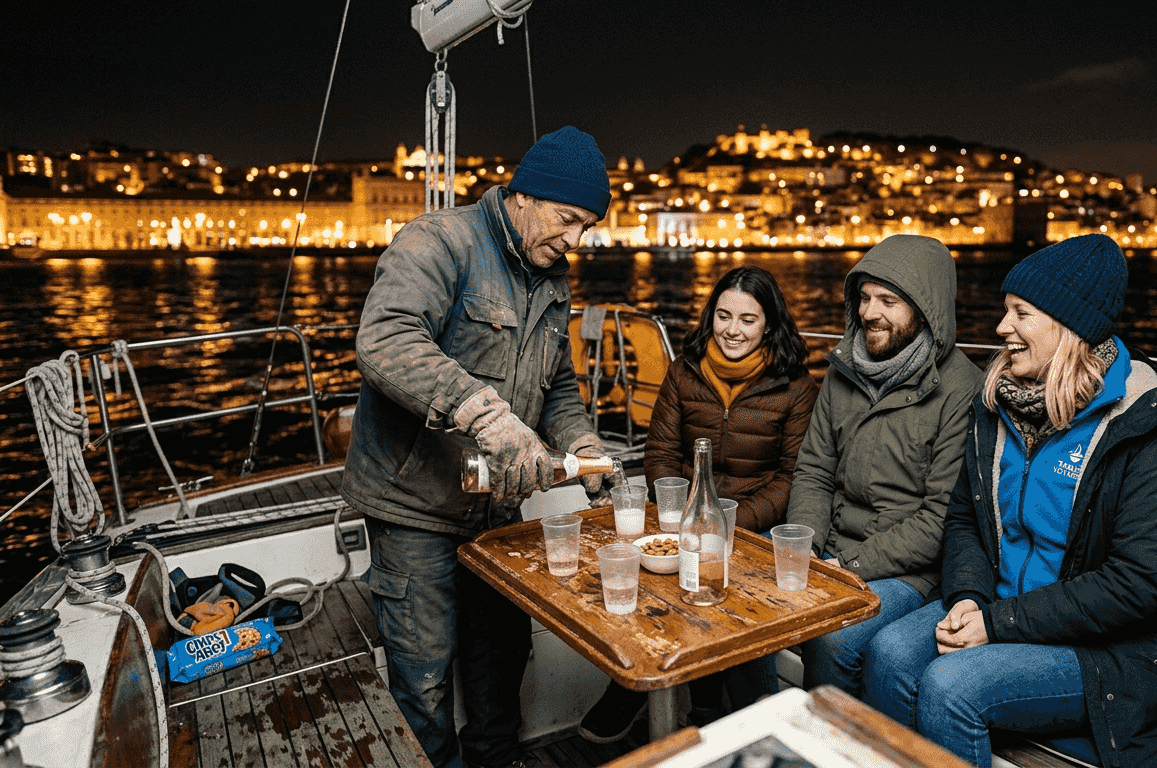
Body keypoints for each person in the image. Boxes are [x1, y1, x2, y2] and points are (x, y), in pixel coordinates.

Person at [864, 234, 1157, 767]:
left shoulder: (1149, 430)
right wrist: (967, 596)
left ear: (1067, 326)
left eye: (1020, 313)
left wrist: (998, 623)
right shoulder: (997, 408)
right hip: (998, 607)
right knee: (888, 654)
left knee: (951, 686)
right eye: (1006, 311)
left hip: (1107, 650)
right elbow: (966, 517)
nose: (1002, 327)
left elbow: (1138, 584)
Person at [341, 126, 613, 768]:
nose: (575, 241)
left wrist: (581, 438)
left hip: (494, 506)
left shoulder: (553, 276)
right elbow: (384, 338)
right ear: (523, 195)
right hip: (414, 506)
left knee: (500, 659)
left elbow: (558, 383)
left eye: (587, 228)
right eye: (567, 220)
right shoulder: (440, 240)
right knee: (426, 679)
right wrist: (490, 417)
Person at [577, 265, 820, 742]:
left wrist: (729, 524)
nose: (732, 330)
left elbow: (793, 477)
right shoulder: (685, 370)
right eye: (723, 316)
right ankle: (648, 683)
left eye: (747, 320)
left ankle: (704, 710)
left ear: (769, 324)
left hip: (757, 520)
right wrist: (682, 515)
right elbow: (661, 452)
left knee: (720, 583)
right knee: (650, 575)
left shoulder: (794, 385)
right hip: (687, 511)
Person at [786, 234, 982, 697]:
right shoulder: (844, 369)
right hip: (833, 551)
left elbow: (939, 519)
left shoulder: (960, 389)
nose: (870, 312)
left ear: (925, 309)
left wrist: (847, 566)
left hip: (911, 571)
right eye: (865, 298)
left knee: (832, 637)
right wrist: (807, 550)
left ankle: (846, 746)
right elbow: (814, 469)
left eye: (888, 300)